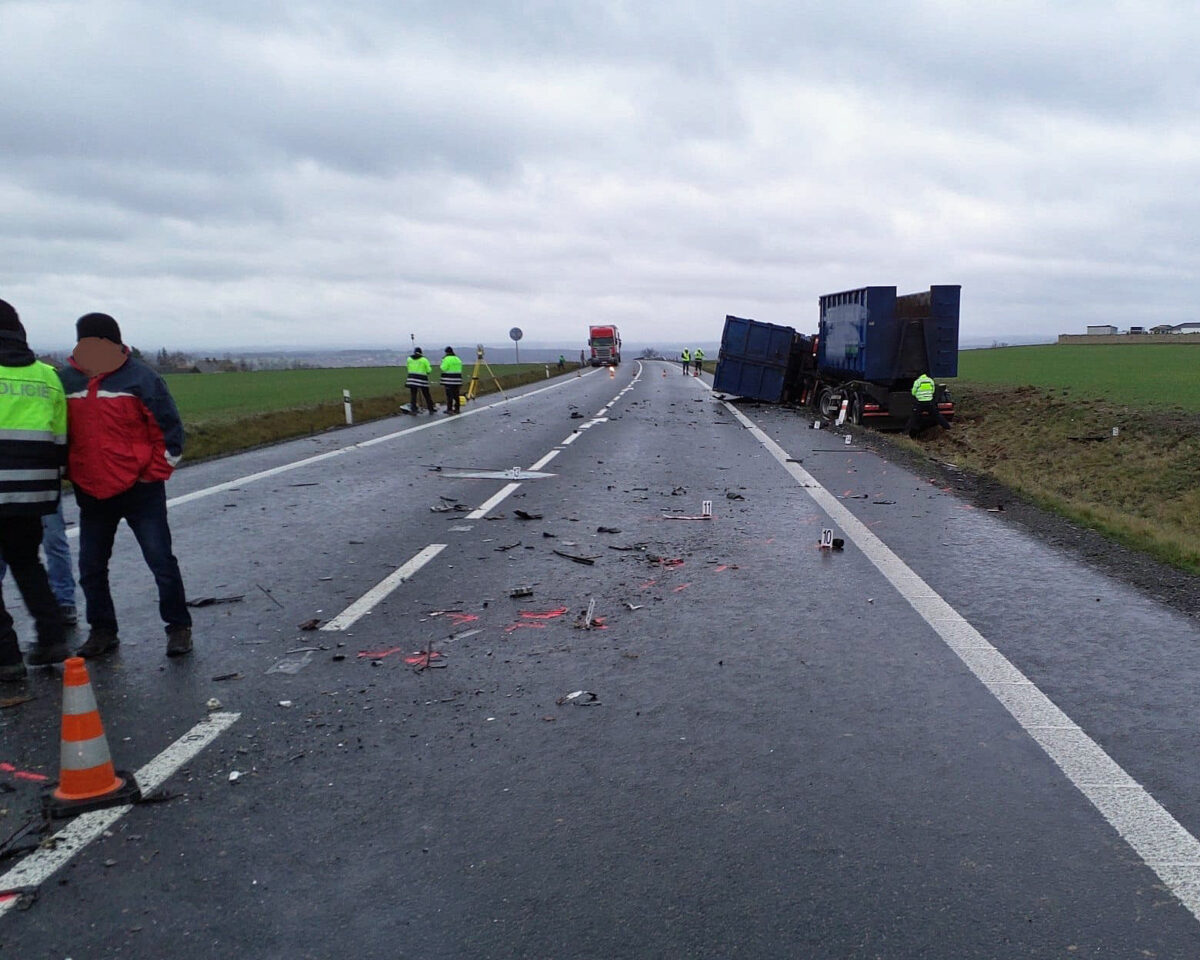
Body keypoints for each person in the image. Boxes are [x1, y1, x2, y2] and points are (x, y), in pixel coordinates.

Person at [59, 313, 192, 658]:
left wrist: (152, 474)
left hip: (141, 491)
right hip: (91, 492)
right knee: (90, 568)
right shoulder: (66, 381)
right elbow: (59, 432)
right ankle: (102, 631)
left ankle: (178, 628)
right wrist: (70, 471)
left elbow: (170, 432)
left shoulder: (142, 379)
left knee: (161, 561)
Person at [0, 298, 69, 680]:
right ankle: (52, 637)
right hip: (34, 491)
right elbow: (60, 438)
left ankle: (7, 658)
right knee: (27, 564)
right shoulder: (47, 375)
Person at [0, 497, 77, 624]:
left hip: (39, 491)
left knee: (52, 542)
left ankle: (64, 602)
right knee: (26, 556)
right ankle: (61, 604)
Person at [906, 372, 952, 438]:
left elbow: (913, 392)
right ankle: (947, 427)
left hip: (920, 403)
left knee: (913, 418)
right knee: (937, 415)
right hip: (929, 403)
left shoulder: (917, 382)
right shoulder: (930, 381)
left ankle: (905, 433)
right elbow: (933, 391)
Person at [406, 346, 434, 414]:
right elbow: (429, 370)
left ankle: (413, 409)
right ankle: (431, 408)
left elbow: (408, 368)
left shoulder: (409, 359)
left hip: (412, 379)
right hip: (422, 380)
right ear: (421, 353)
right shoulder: (424, 360)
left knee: (413, 395)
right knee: (426, 394)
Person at [440, 346, 463, 414]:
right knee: (456, 395)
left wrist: (442, 362)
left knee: (449, 395)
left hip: (449, 380)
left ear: (446, 352)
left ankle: (449, 409)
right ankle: (457, 409)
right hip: (457, 380)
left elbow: (443, 368)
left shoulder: (446, 359)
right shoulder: (457, 359)